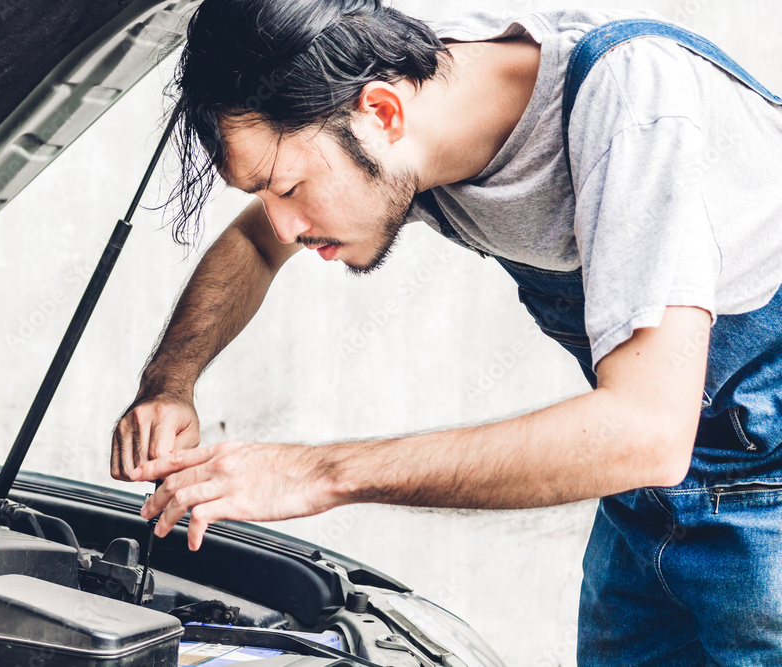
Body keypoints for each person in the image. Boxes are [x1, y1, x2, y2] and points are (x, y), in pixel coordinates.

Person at [110, 0, 782, 663]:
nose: (281, 222)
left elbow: (645, 431)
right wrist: (169, 382)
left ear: (382, 112)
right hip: (650, 501)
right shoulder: (392, 102)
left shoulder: (633, 101)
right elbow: (255, 244)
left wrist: (319, 473)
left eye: (287, 187)